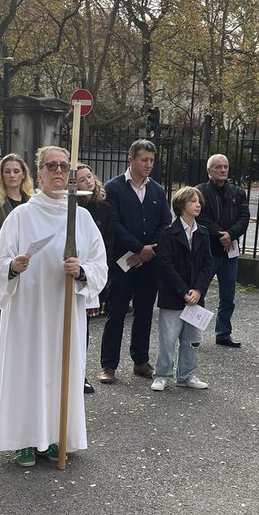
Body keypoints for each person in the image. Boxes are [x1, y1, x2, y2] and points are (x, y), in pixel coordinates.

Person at [0, 146, 107, 467]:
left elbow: (100, 264)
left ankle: (56, 434)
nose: (57, 171)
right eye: (50, 165)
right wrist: (13, 266)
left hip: (63, 311)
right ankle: (23, 439)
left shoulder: (80, 217)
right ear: (38, 173)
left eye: (63, 166)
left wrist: (81, 271)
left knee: (59, 370)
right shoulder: (21, 216)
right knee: (27, 369)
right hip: (27, 310)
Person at [99, 139, 171, 383]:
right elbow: (114, 224)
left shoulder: (157, 190)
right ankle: (109, 365)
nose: (149, 164)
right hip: (122, 262)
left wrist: (148, 251)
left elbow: (165, 223)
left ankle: (140, 361)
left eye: (151, 160)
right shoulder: (114, 188)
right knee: (116, 313)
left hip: (149, 263)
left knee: (144, 313)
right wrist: (138, 248)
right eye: (144, 160)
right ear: (131, 160)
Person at [151, 186, 214, 391]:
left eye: (199, 201)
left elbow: (208, 264)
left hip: (195, 296)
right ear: (180, 205)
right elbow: (166, 265)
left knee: (192, 339)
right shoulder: (168, 233)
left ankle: (187, 374)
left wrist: (198, 290)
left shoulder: (203, 233)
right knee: (168, 338)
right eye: (193, 201)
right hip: (173, 296)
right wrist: (184, 290)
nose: (198, 205)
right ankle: (162, 375)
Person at [0, 154, 33, 385]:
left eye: (16, 171)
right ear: (1, 176)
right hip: (7, 268)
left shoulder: (33, 202)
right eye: (7, 171)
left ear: (24, 174)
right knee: (1, 322)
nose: (12, 175)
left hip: (32, 268)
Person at [195, 153, 250, 347]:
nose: (222, 170)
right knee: (198, 292)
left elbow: (244, 218)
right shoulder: (199, 192)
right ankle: (194, 334)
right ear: (209, 170)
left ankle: (223, 333)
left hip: (230, 252)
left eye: (225, 166)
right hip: (207, 251)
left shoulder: (238, 192)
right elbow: (200, 218)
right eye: (218, 167)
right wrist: (221, 234)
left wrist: (231, 235)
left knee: (228, 296)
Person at [76, 164, 112, 393]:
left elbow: (106, 243)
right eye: (81, 179)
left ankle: (80, 373)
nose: (88, 181)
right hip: (71, 271)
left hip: (89, 273)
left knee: (83, 327)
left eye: (89, 176)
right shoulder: (72, 208)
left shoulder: (104, 208)